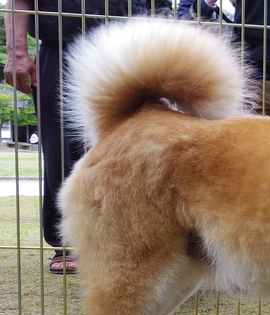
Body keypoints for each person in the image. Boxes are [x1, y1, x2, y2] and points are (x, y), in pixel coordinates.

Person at [3, 0, 172, 275]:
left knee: (134, 151)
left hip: (130, 52)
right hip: (63, 48)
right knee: (60, 151)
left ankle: (130, 241)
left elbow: (160, 8)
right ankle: (68, 243)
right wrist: (16, 51)